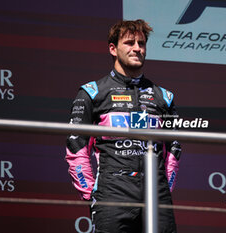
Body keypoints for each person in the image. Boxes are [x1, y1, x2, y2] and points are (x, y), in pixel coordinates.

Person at [65, 19, 181, 233]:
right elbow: (76, 147)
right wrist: (91, 194)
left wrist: (163, 186)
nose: (137, 48)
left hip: (157, 193)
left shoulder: (163, 96)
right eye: (129, 43)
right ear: (113, 48)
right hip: (112, 192)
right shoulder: (92, 92)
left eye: (141, 43)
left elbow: (174, 147)